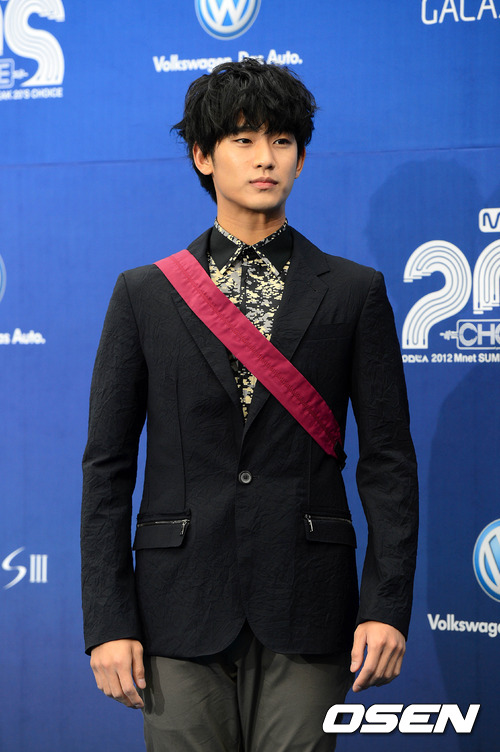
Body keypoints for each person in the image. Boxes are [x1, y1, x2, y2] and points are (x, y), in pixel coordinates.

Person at [81, 59, 418, 752]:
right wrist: (108, 622)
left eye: (282, 140)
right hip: (177, 605)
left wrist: (386, 607)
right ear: (203, 156)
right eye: (243, 139)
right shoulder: (145, 294)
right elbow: (106, 469)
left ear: (301, 157)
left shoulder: (354, 291)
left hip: (309, 600)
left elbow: (388, 462)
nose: (266, 158)